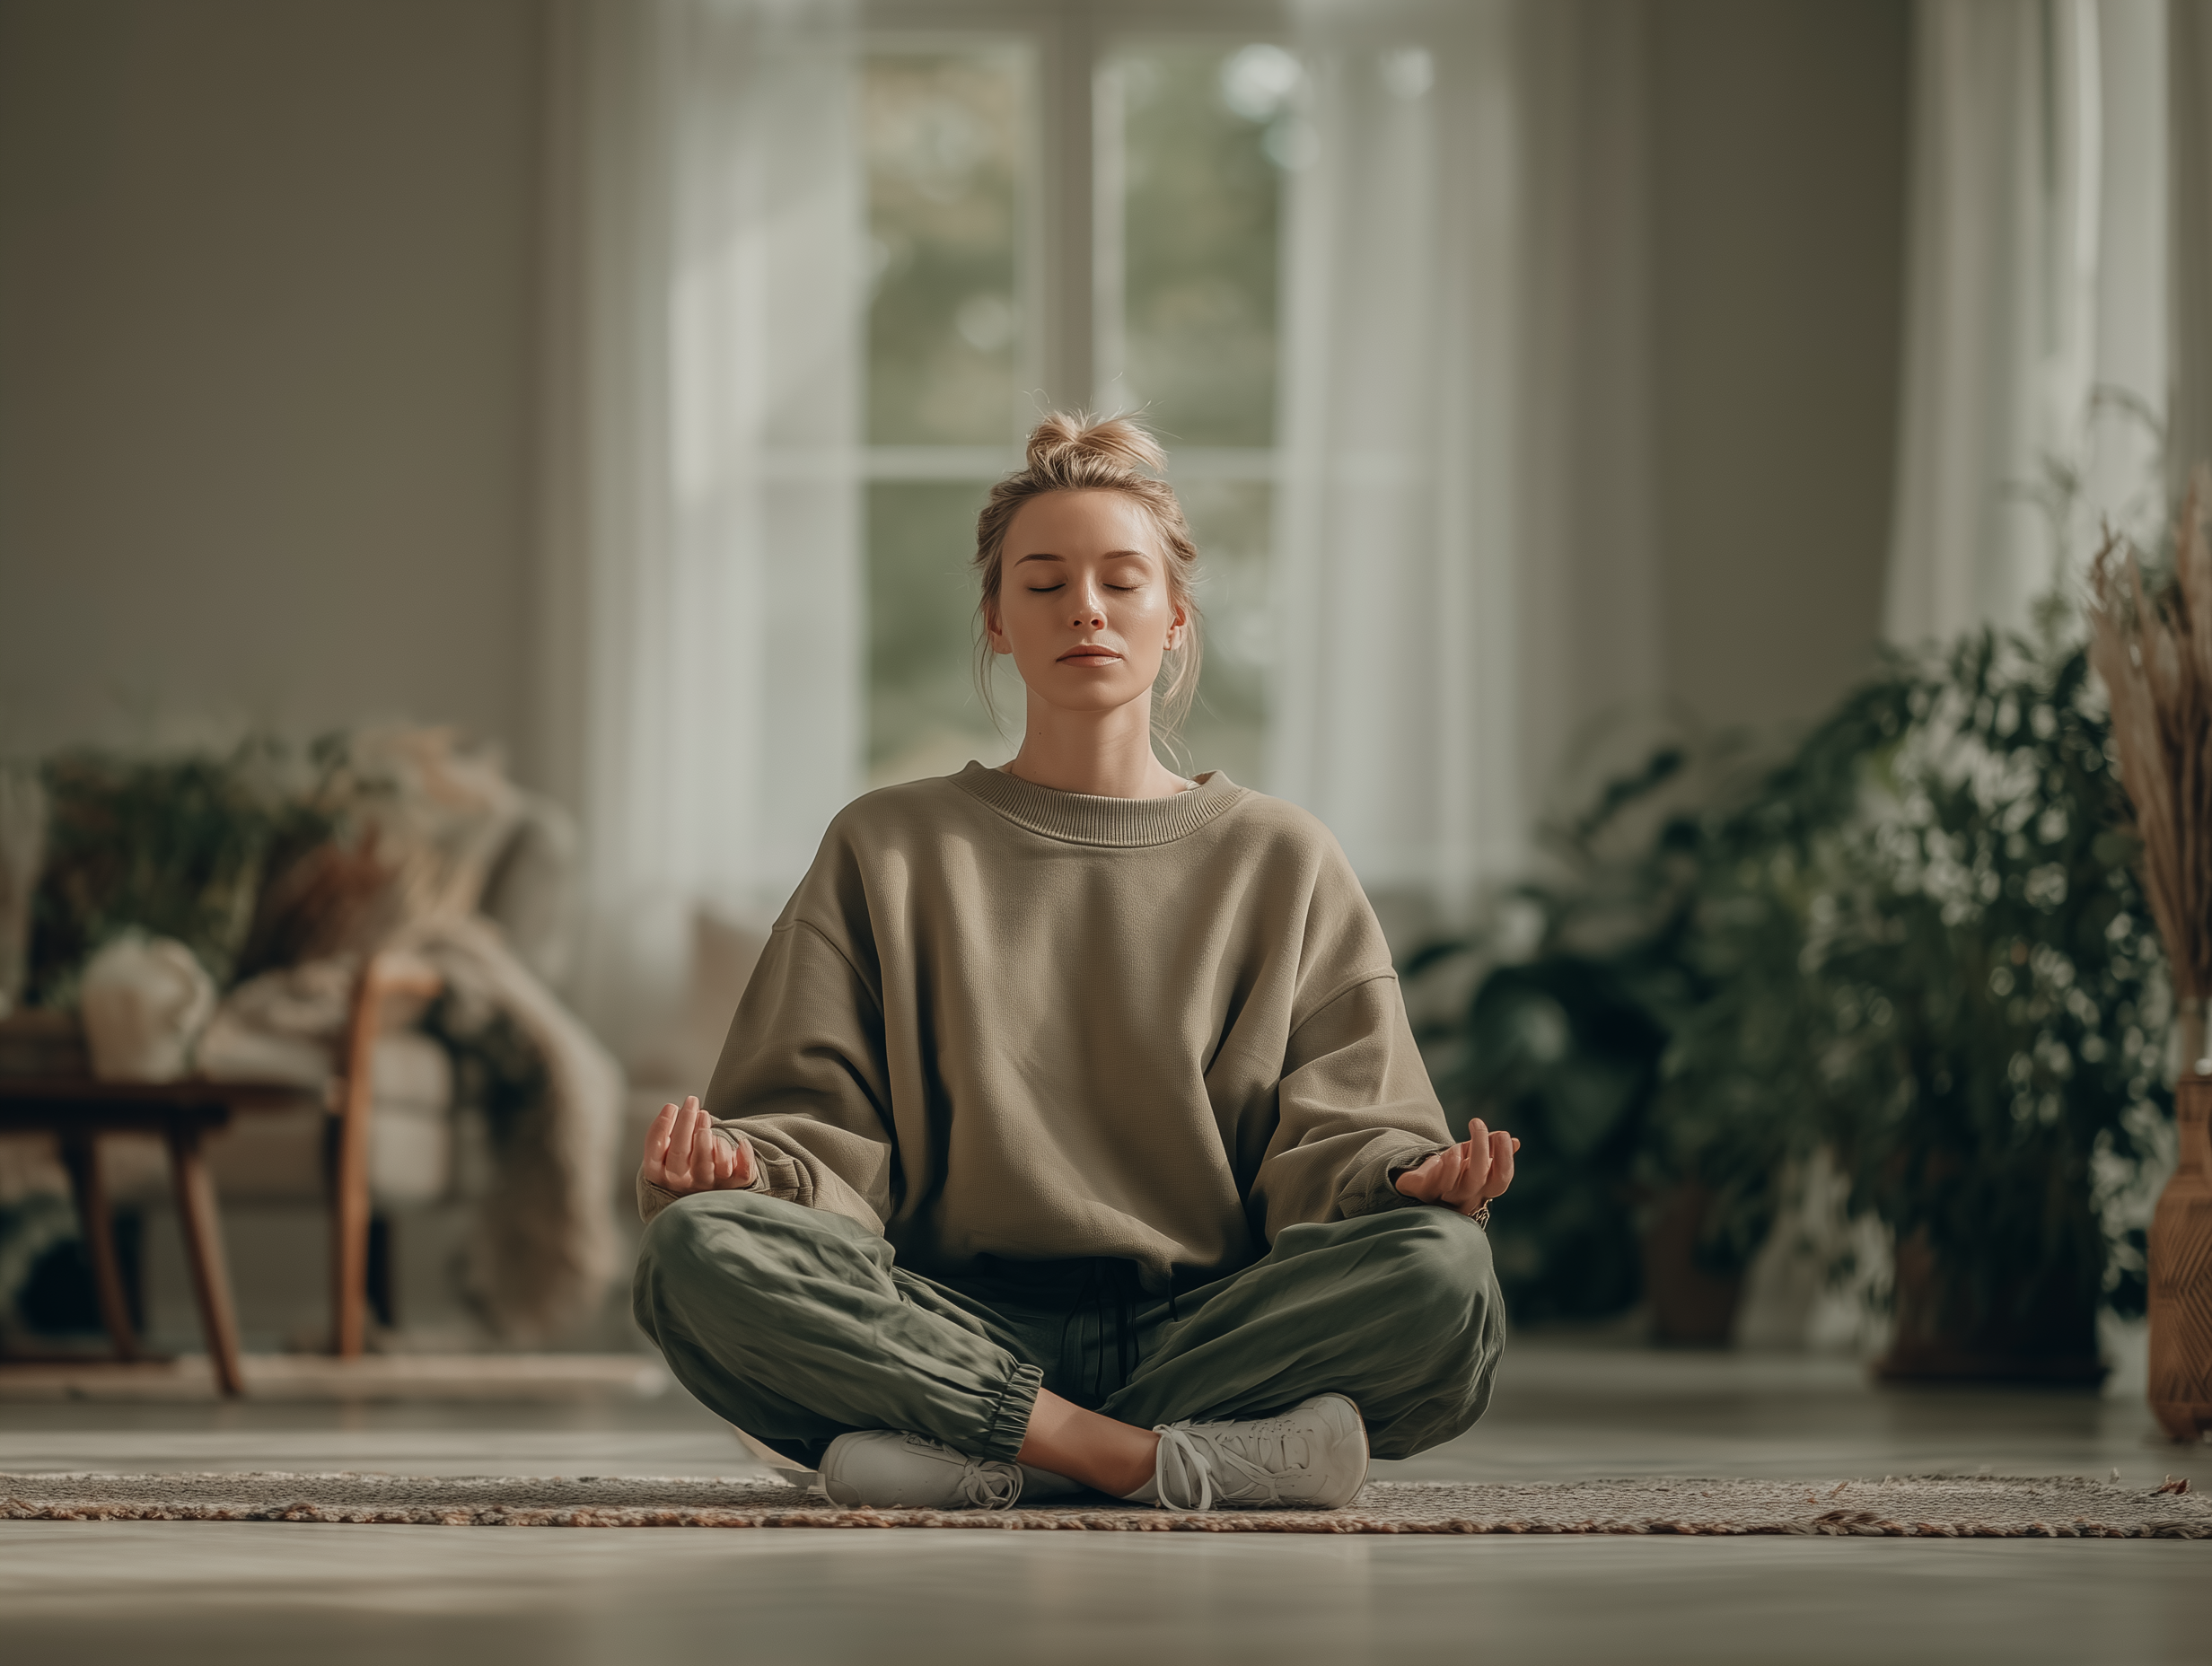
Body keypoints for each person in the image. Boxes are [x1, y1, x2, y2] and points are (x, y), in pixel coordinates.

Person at [630, 414, 1516, 1513]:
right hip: (945, 1309)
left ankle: (976, 1451)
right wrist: (741, 1172)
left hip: (1210, 1315)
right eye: (1042, 583)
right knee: (698, 1252)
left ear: (1176, 617)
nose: (1084, 608)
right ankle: (1148, 1461)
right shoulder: (886, 843)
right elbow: (811, 1127)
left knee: (1443, 1274)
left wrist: (1402, 1178)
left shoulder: (1281, 856)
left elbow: (1346, 1128)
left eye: (1120, 581)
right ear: (997, 621)